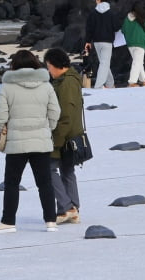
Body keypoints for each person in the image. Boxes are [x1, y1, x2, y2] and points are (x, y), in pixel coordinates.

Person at [0, 49, 61, 233]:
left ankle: (8, 222)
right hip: (41, 141)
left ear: (14, 65)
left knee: (12, 183)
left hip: (16, 143)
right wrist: (48, 128)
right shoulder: (46, 86)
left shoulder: (7, 87)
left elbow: (0, 115)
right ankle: (51, 221)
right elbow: (55, 112)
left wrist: (2, 131)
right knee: (45, 182)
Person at [44, 48, 83, 225]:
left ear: (55, 65)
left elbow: (65, 114)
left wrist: (56, 140)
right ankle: (73, 208)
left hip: (65, 134)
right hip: (73, 132)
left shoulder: (66, 83)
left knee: (50, 168)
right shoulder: (69, 80)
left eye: (48, 66)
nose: (48, 70)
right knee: (67, 170)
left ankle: (67, 207)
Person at [83, 0, 119, 89]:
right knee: (104, 63)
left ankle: (110, 84)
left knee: (103, 62)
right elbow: (116, 27)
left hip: (96, 41)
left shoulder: (93, 13)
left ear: (99, 0)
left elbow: (89, 28)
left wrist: (87, 41)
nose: (95, 1)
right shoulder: (111, 13)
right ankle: (98, 86)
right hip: (107, 41)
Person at [122, 2, 145, 86]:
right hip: (140, 43)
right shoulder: (143, 18)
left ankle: (143, 80)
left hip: (130, 44)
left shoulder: (127, 19)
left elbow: (123, 30)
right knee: (137, 62)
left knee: (138, 62)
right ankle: (132, 82)